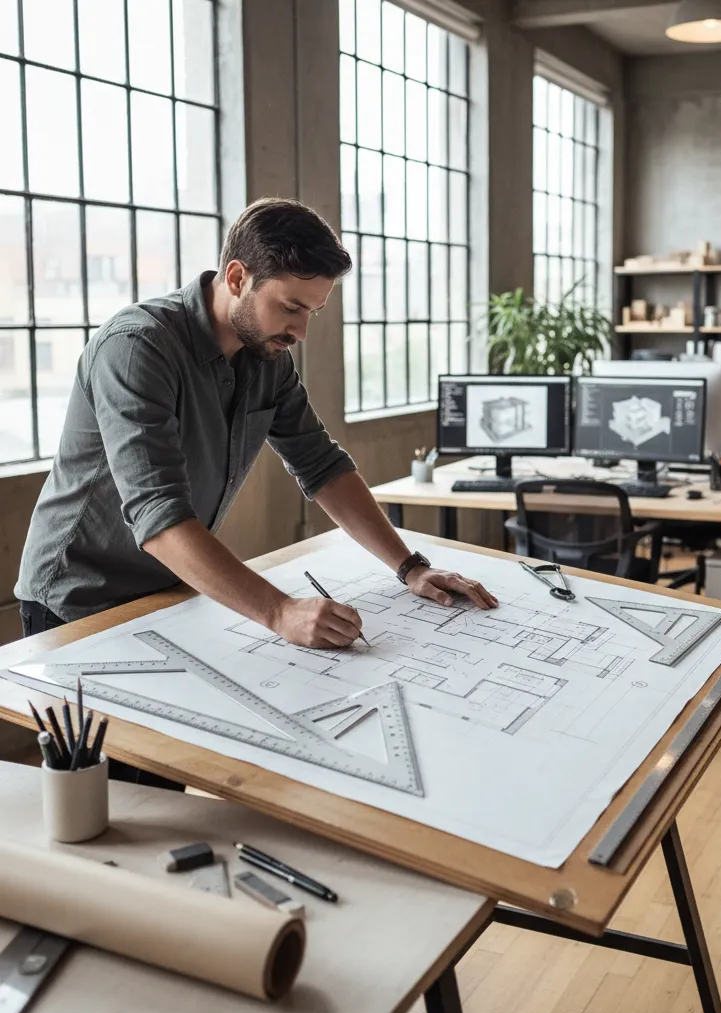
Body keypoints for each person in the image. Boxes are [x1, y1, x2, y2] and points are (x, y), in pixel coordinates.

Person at [16, 197, 496, 784]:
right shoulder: (138, 347)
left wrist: (410, 567)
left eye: (312, 312)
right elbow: (159, 517)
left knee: (172, 776)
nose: (299, 330)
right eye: (291, 306)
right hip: (78, 599)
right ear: (238, 277)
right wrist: (280, 611)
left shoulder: (268, 357)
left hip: (170, 590)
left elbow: (322, 465)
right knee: (125, 800)